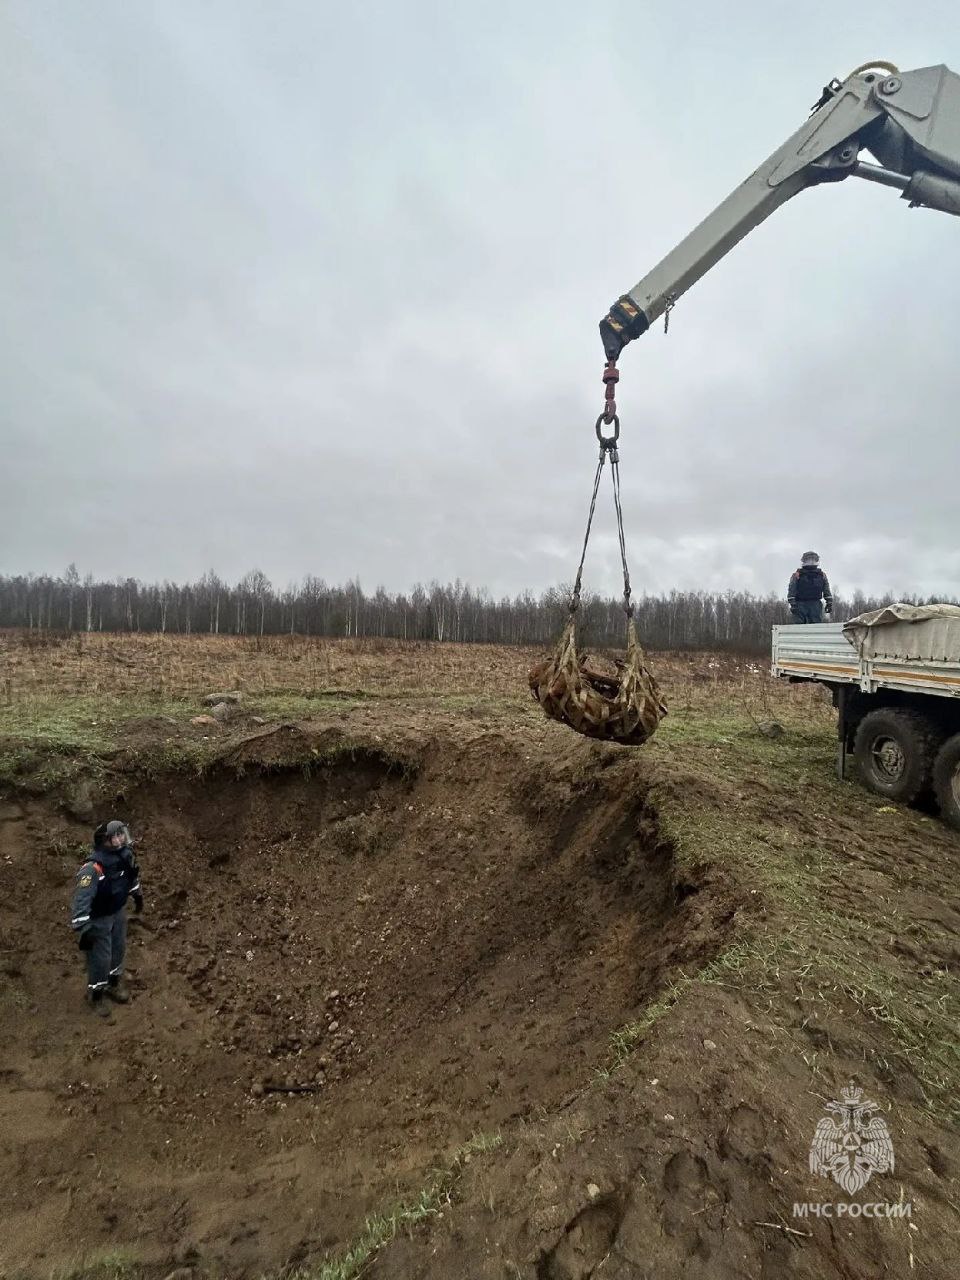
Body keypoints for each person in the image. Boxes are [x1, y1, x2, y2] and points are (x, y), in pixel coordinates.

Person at [70, 820, 143, 1017]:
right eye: (116, 836)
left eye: (122, 833)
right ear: (104, 841)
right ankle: (96, 993)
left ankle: (113, 982)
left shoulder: (124, 856)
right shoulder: (92, 869)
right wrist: (83, 928)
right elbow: (82, 900)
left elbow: (131, 876)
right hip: (98, 918)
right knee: (100, 958)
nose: (121, 838)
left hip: (117, 912)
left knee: (118, 948)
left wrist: (137, 895)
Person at [787, 551, 834, 624]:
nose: (811, 562)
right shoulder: (797, 575)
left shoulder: (821, 575)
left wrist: (829, 603)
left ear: (816, 560)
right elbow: (791, 590)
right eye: (809, 559)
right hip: (800, 604)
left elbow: (826, 590)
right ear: (804, 561)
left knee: (816, 627)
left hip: (815, 604)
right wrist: (793, 604)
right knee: (798, 627)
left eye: (813, 559)